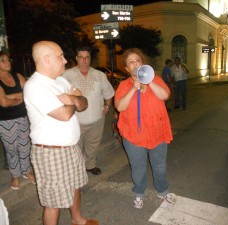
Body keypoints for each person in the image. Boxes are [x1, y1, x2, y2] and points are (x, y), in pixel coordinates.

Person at [23, 41, 99, 225]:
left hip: (71, 147)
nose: (65, 60)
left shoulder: (60, 80)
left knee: (75, 186)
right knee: (53, 201)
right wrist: (74, 99)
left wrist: (71, 99)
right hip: (51, 152)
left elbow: (84, 103)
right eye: (60, 57)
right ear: (47, 59)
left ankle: (77, 219)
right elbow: (64, 114)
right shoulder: (35, 86)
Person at [115, 48, 175, 209]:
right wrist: (133, 88)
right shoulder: (124, 85)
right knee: (138, 167)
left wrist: (149, 82)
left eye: (137, 60)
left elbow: (165, 95)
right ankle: (139, 193)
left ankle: (162, 191)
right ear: (127, 68)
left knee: (160, 165)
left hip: (157, 133)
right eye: (130, 62)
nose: (134, 63)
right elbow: (120, 107)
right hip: (133, 135)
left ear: (143, 63)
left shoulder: (156, 79)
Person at [63, 46, 115, 176]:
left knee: (93, 145)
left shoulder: (100, 75)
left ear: (90, 59)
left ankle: (90, 165)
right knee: (76, 147)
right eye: (81, 57)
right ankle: (77, 169)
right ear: (76, 58)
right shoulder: (66, 75)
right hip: (75, 121)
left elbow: (108, 93)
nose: (84, 60)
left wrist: (107, 106)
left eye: (87, 57)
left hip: (97, 119)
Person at [0, 51, 35, 190]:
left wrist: (11, 96)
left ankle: (27, 171)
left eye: (8, 60)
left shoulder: (18, 76)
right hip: (5, 121)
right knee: (11, 149)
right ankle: (15, 175)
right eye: (3, 60)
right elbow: (3, 103)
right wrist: (20, 97)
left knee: (25, 146)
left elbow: (29, 93)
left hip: (23, 117)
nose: (7, 62)